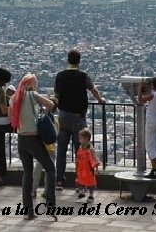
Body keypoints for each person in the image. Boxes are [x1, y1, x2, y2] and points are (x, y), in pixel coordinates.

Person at [53, 49, 106, 190]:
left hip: (63, 116)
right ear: (79, 61)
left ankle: (59, 180)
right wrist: (100, 100)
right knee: (81, 151)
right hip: (78, 117)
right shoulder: (83, 76)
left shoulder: (60, 76)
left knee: (61, 151)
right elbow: (93, 90)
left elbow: (56, 96)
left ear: (68, 60)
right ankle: (80, 181)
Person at [11, 73, 57, 221]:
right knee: (50, 169)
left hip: (21, 139)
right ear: (31, 84)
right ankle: (50, 204)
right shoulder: (32, 95)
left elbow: (11, 118)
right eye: (36, 83)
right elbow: (51, 105)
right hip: (33, 138)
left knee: (28, 174)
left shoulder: (13, 98)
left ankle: (28, 211)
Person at [138, 76, 156, 178]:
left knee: (150, 146)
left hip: (151, 121)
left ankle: (154, 169)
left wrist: (141, 87)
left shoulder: (153, 95)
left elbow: (140, 100)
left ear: (153, 85)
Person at [32, 96, 58, 198]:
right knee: (49, 171)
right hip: (51, 148)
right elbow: (56, 134)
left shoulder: (42, 118)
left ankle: (33, 190)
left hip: (42, 147)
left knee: (37, 170)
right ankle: (47, 191)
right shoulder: (55, 120)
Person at [74, 128, 100, 201]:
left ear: (86, 139)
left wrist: (96, 168)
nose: (79, 140)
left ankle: (91, 195)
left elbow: (94, 158)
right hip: (82, 168)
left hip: (88, 168)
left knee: (90, 182)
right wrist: (77, 164)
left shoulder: (90, 149)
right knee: (80, 180)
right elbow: (78, 156)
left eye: (81, 138)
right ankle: (82, 192)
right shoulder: (80, 147)